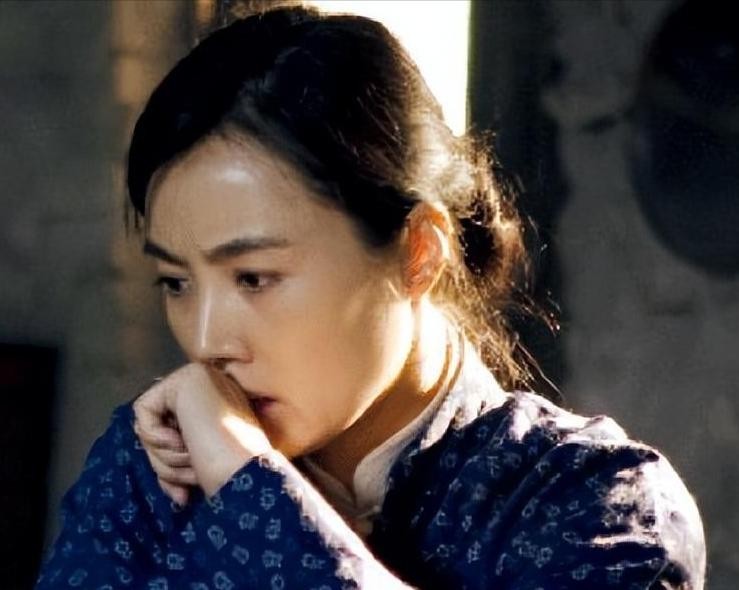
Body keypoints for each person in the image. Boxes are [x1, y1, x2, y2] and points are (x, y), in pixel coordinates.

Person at [36, 5, 706, 589]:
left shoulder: (594, 503)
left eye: (253, 278)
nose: (206, 341)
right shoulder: (152, 466)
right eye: (177, 283)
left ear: (418, 253)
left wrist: (246, 481)